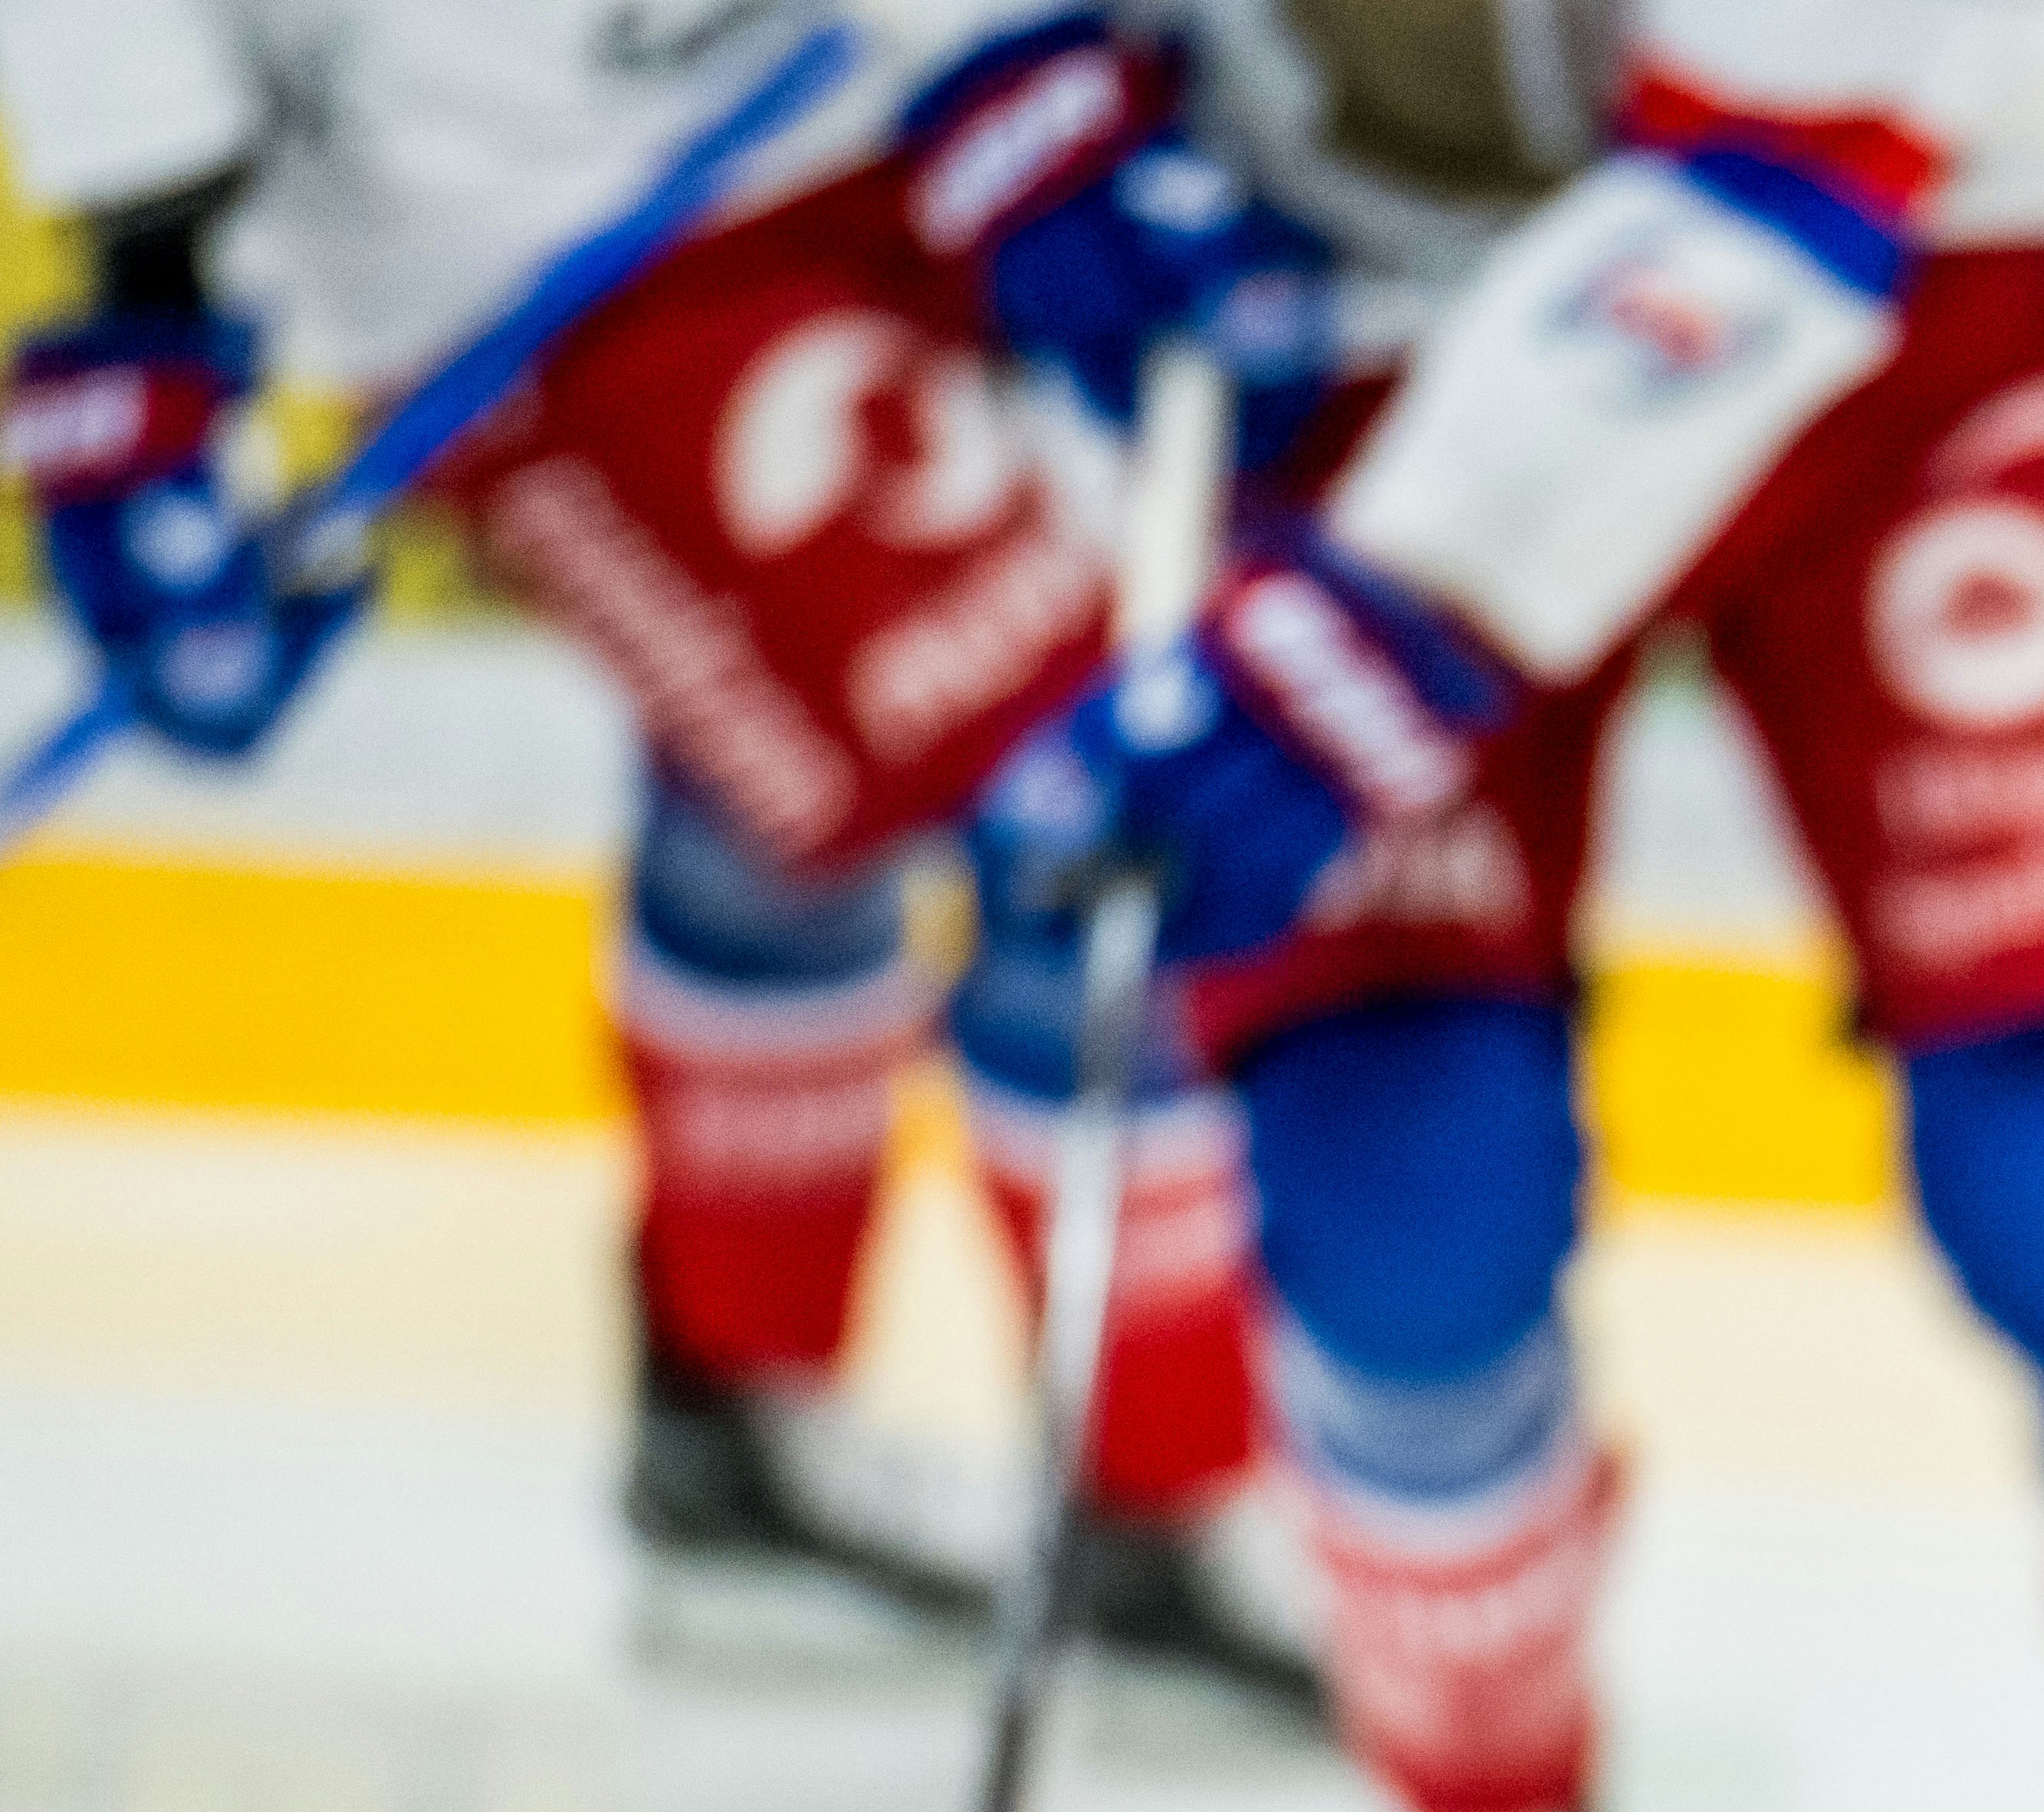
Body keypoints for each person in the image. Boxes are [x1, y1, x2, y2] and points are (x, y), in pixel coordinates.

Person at [959, 0, 2044, 1812]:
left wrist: (1390, 610)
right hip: (1337, 319)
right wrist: (1001, 83)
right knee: (1403, 1208)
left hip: (1884, 267)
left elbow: (1774, 168)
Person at [0, 0, 1333, 1706]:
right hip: (544, 228)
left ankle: (741, 1430)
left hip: (850, 100)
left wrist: (1022, 62)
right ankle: (1168, 1483)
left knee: (791, 783)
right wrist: (154, 286)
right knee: (1061, 768)